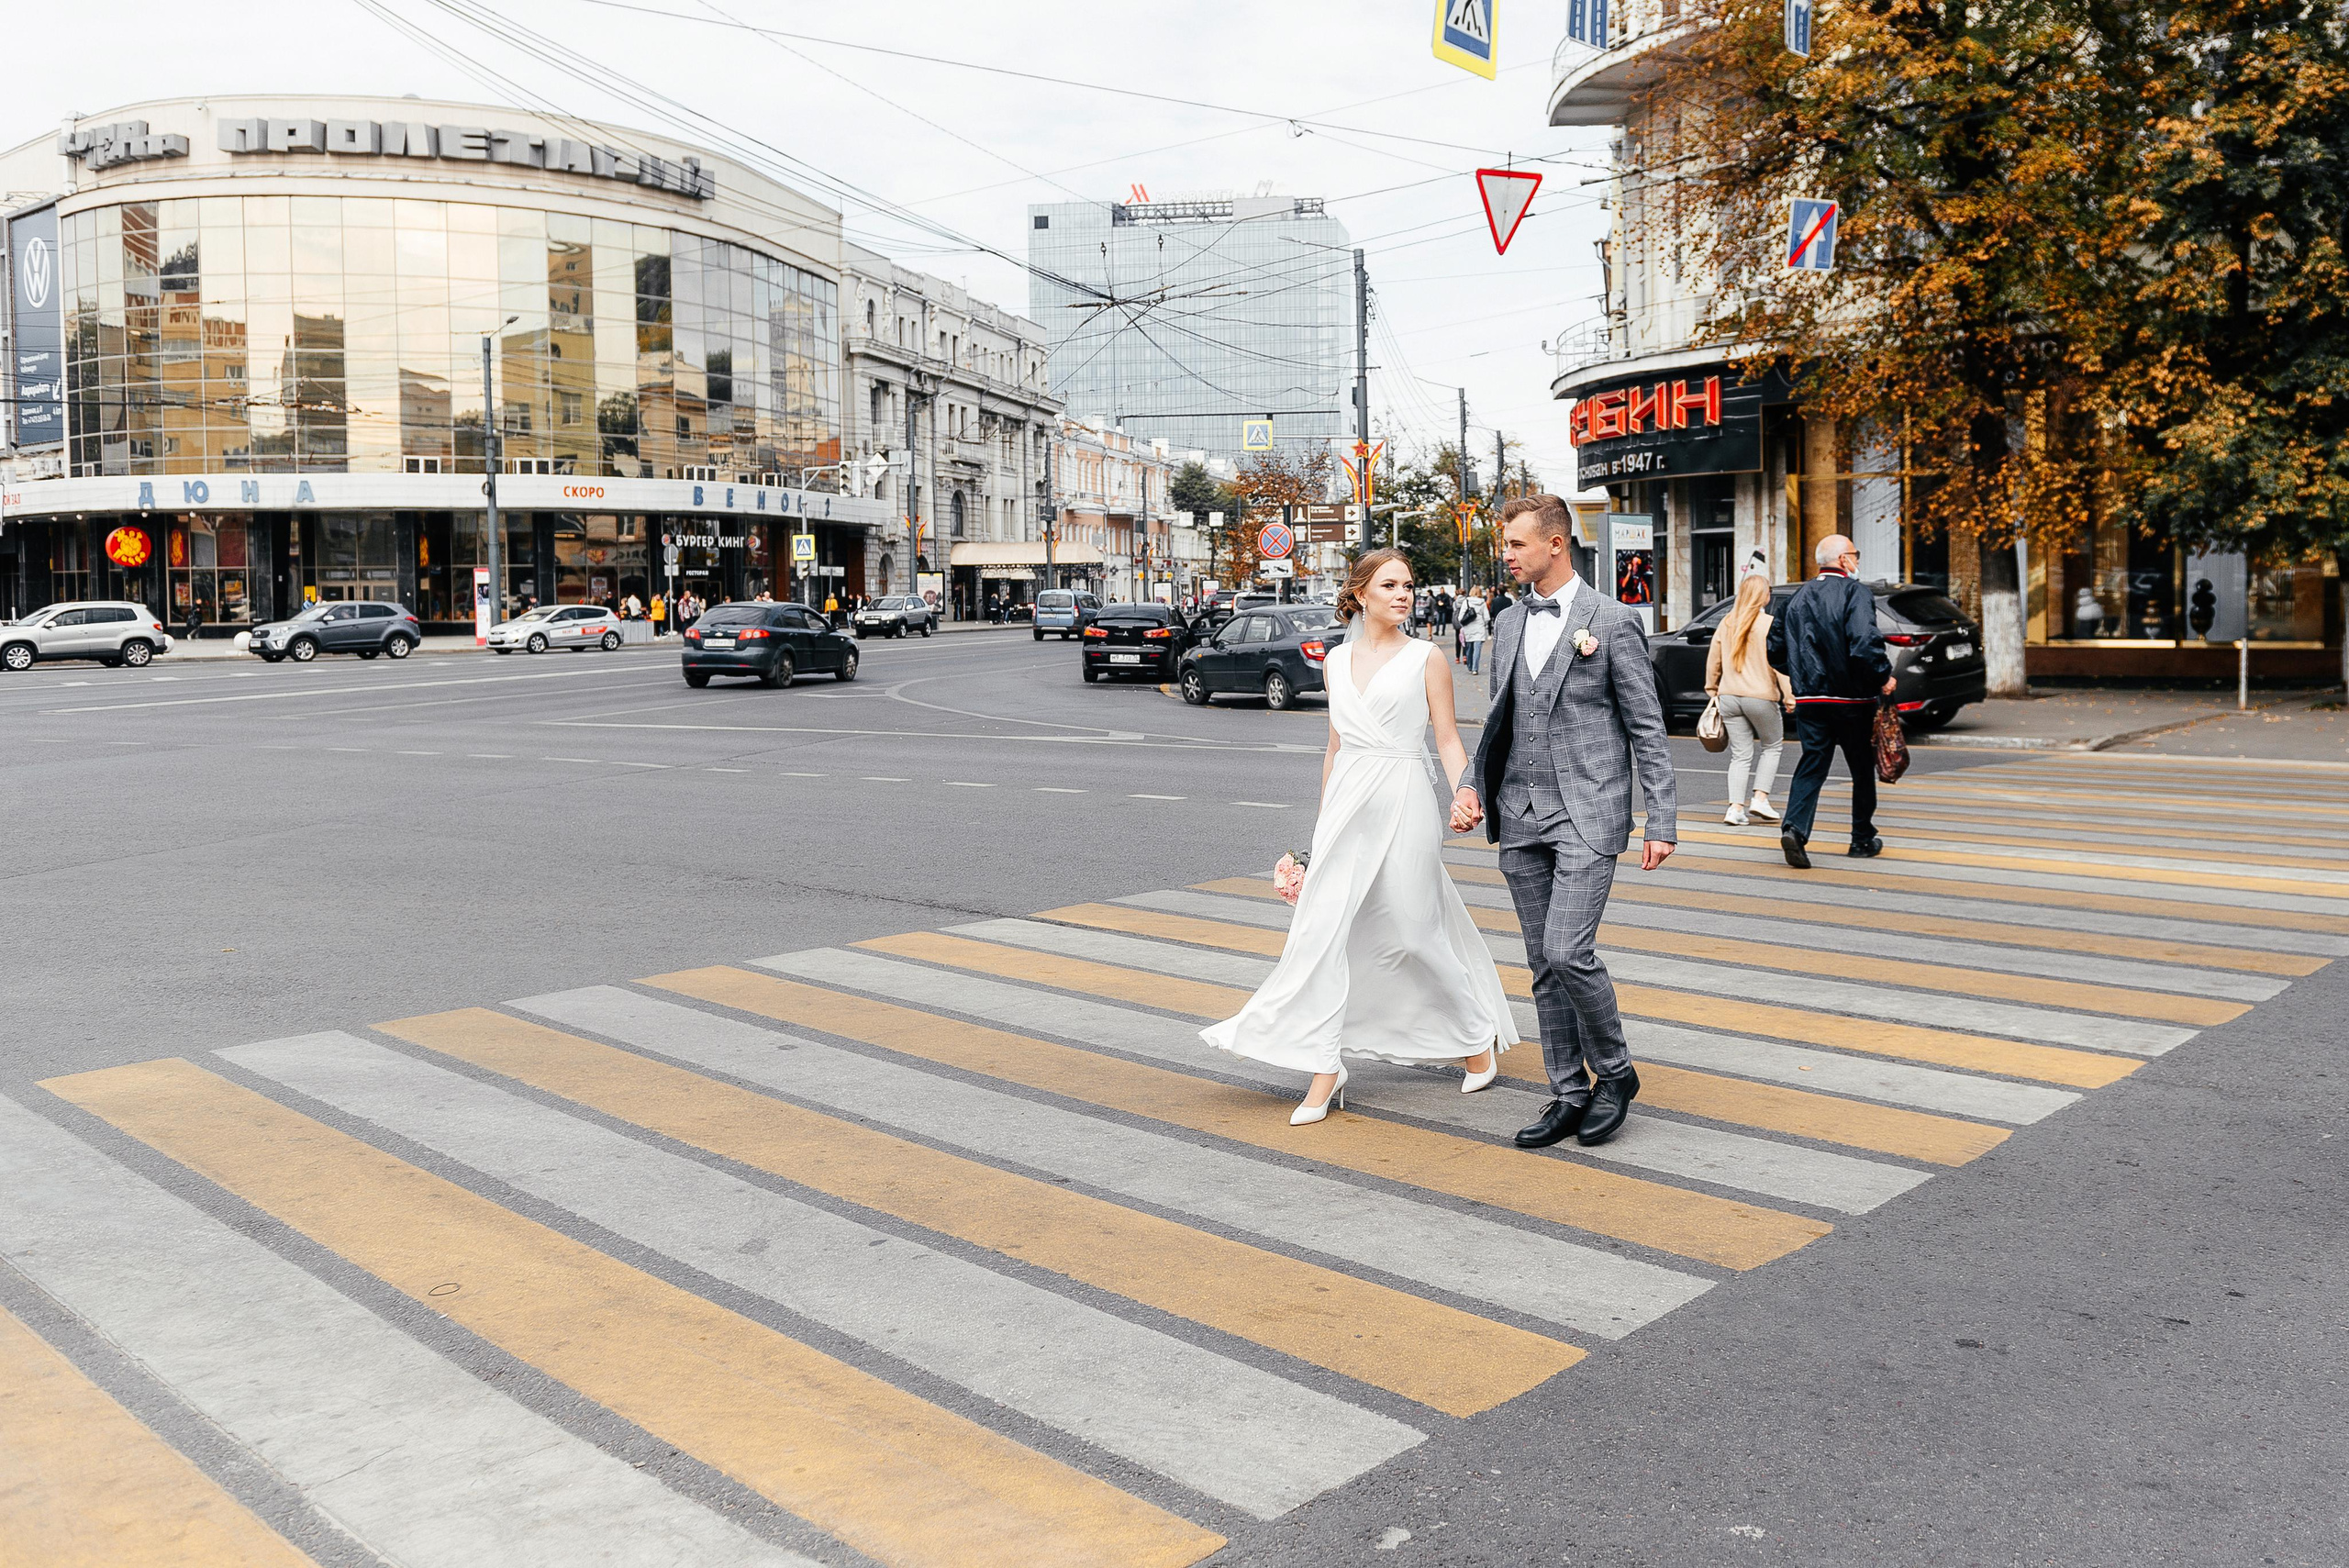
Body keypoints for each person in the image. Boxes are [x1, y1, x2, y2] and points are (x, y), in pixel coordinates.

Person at [1202, 548, 1513, 1125]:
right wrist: (1322, 826)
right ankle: (1326, 1067)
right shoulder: (1336, 660)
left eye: (1410, 585)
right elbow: (1335, 744)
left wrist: (1464, 793)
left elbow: (1446, 739)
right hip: (1347, 801)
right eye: (1391, 584)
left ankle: (1476, 1037)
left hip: (1405, 795)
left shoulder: (1428, 658)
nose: (1404, 595)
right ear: (1361, 593)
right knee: (1325, 933)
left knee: (1415, 931)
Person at [1455, 494, 1678, 1151]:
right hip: (1520, 814)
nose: (1508, 553)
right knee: (1540, 961)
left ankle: (1614, 1073)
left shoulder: (1610, 620)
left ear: (1556, 544)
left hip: (1588, 811)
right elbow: (1502, 719)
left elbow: (1647, 727)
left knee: (1566, 950)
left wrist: (1660, 817)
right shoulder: (1509, 620)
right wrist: (1473, 786)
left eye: (1517, 544)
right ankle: (1566, 1091)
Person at [1766, 534, 1896, 869]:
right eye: (1855, 554)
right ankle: (1861, 839)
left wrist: (1800, 675)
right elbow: (1865, 643)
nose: (1857, 560)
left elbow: (1775, 650)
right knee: (1861, 770)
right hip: (1853, 700)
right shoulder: (1856, 592)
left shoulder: (1796, 598)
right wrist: (1883, 676)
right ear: (1843, 560)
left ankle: (1795, 829)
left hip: (1811, 699)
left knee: (1812, 764)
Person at [1705, 573, 1797, 826]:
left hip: (1729, 696)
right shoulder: (1769, 624)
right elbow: (1779, 664)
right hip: (1760, 696)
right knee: (1772, 746)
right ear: (1763, 596)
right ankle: (1760, 798)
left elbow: (1714, 659)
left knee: (1740, 754)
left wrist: (1712, 688)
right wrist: (1790, 696)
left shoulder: (1727, 622)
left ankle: (1735, 808)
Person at [1457, 588, 1489, 673]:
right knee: (1477, 650)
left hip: (1469, 628)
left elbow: (1460, 617)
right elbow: (1487, 617)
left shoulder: (1466, 602)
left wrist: (1464, 624)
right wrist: (1483, 624)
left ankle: (1470, 666)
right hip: (1480, 628)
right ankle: (1475, 669)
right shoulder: (1482, 602)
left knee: (1469, 648)